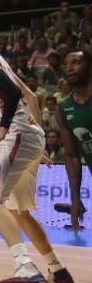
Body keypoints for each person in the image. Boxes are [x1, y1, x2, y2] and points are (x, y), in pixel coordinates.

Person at [0, 9, 75, 283]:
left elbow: (13, 94)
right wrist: (38, 142)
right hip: (28, 137)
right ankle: (59, 273)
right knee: (20, 212)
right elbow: (31, 95)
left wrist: (3, 130)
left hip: (15, 135)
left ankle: (25, 266)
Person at [56, 50, 92, 234]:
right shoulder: (64, 107)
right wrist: (76, 198)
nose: (69, 68)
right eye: (67, 64)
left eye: (76, 62)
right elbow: (72, 157)